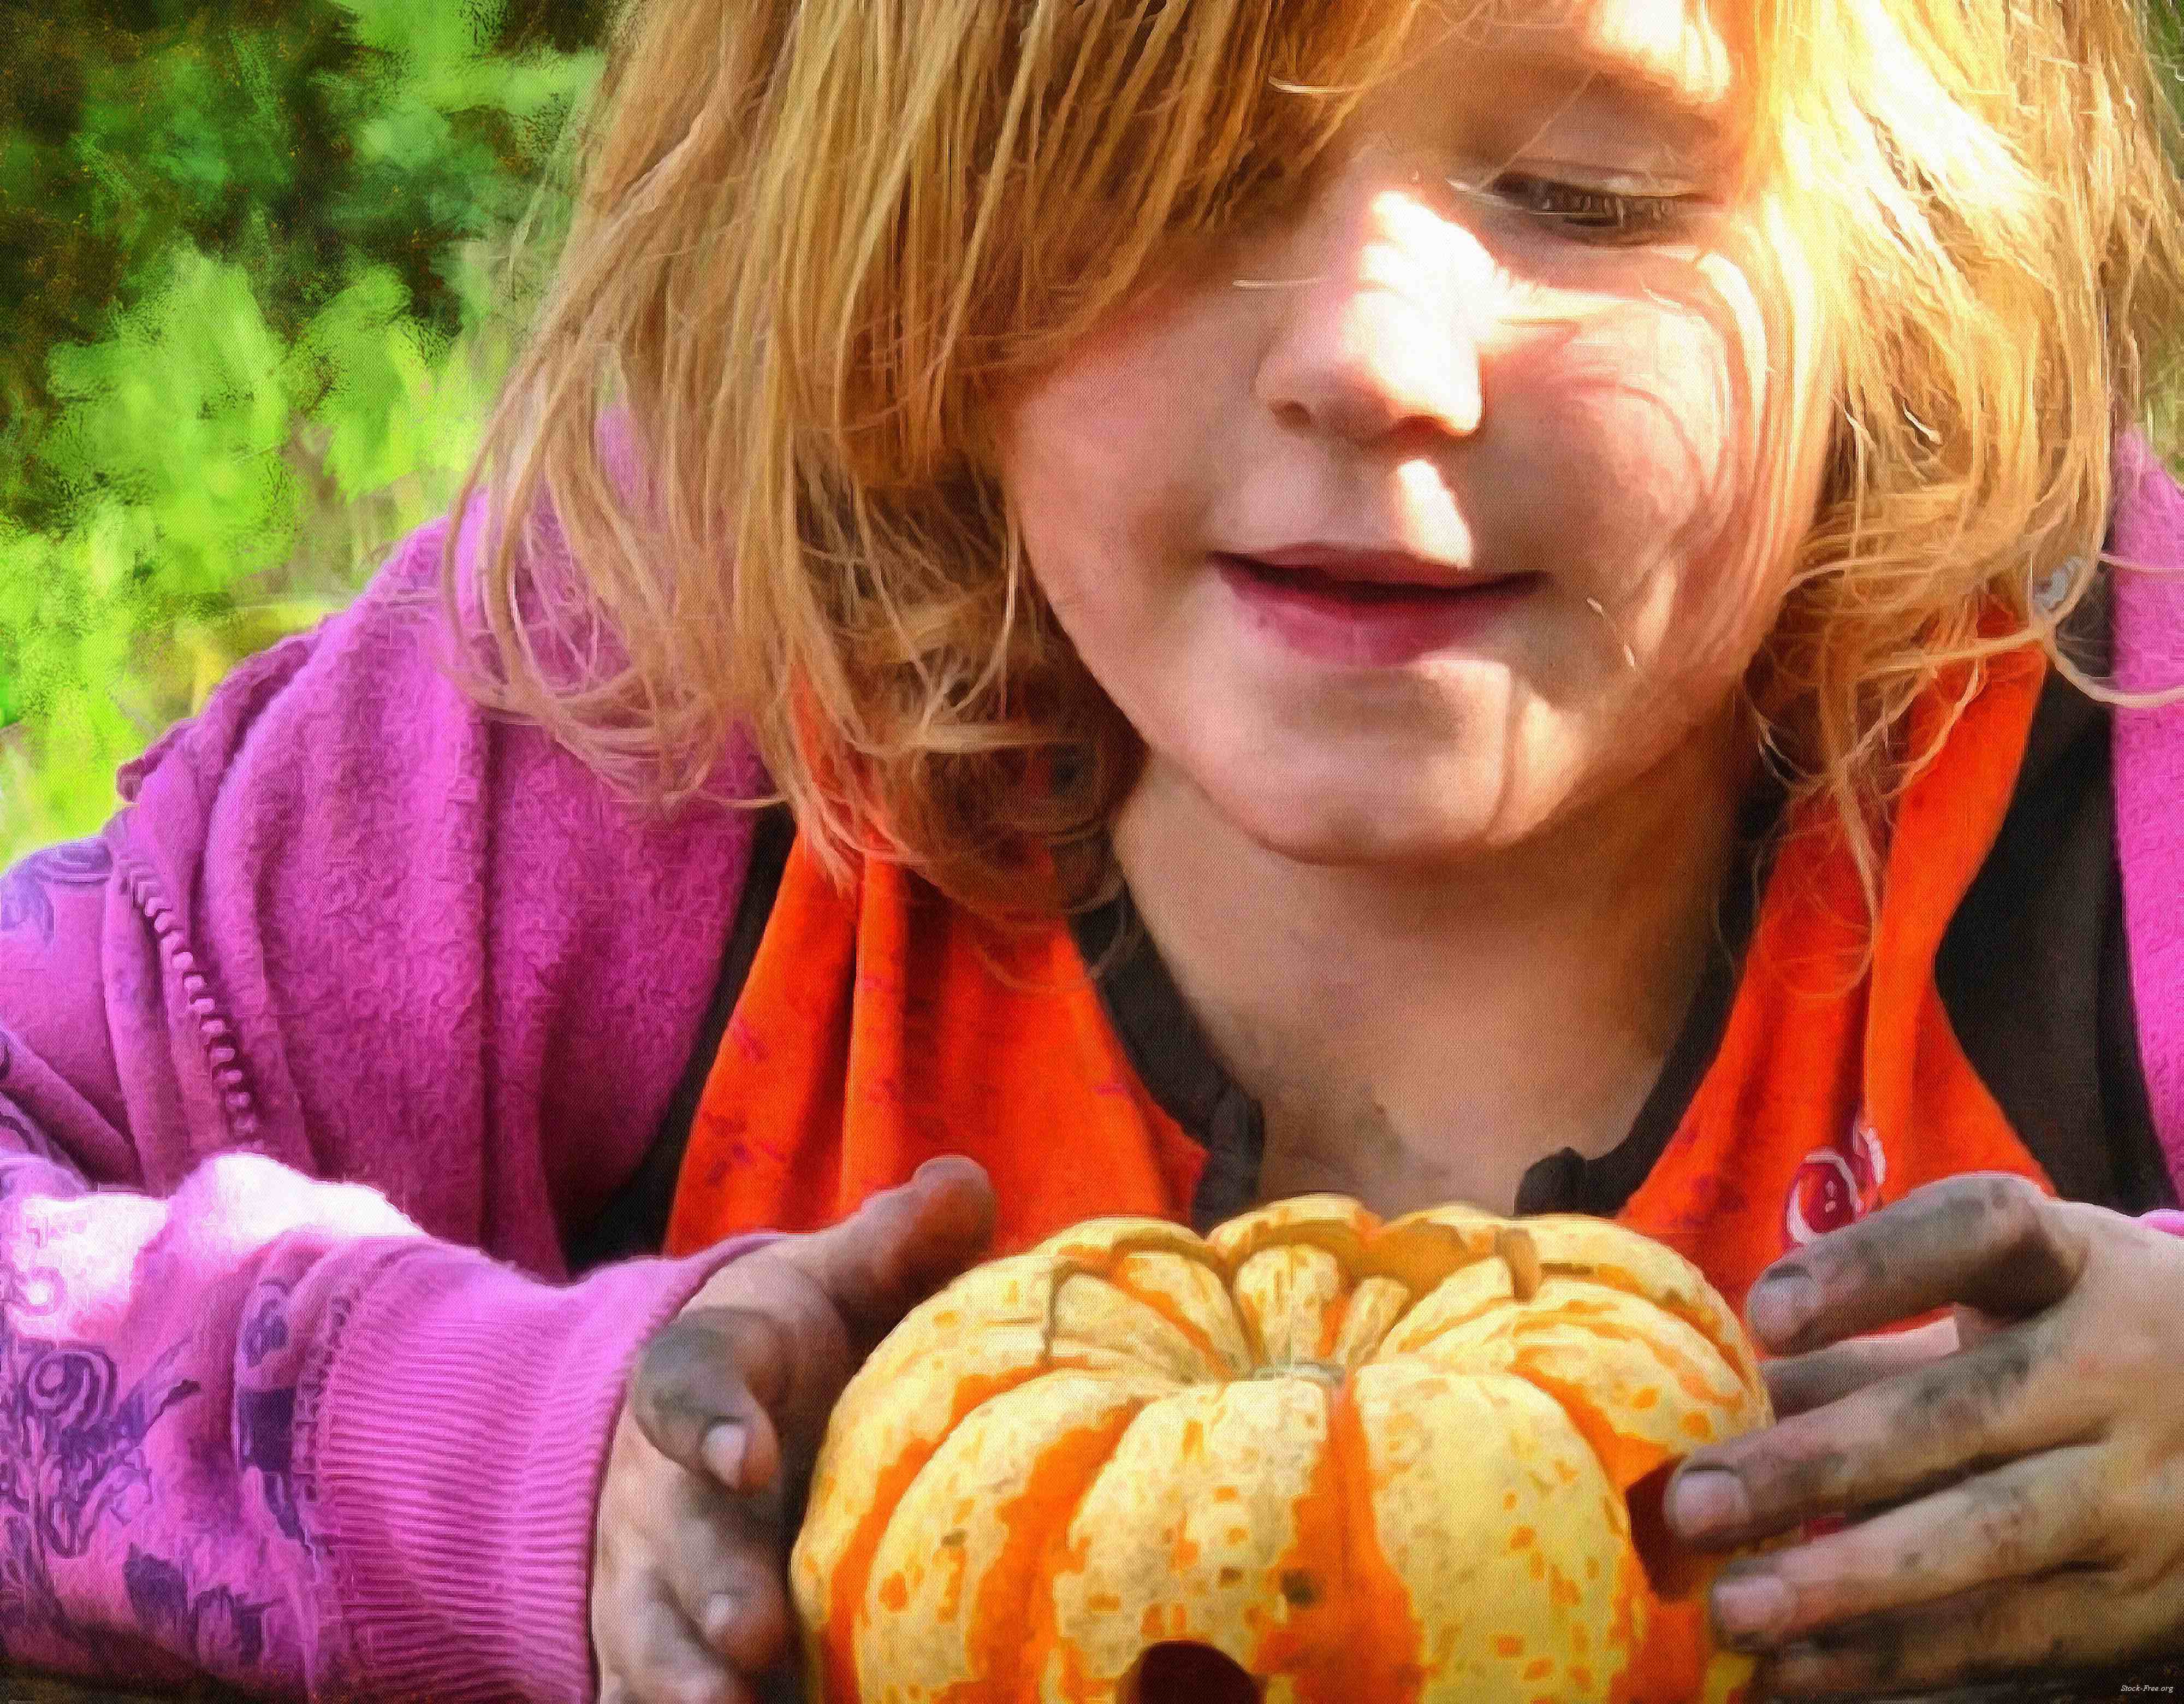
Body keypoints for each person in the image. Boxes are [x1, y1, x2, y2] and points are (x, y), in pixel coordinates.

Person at [5, 0, 2184, 1698]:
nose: (1368, 361)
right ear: (883, 225)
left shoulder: (2117, 761)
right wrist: (490, 1468)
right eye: (1160, 183)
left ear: (1912, 227)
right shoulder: (657, 712)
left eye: (1578, 192)